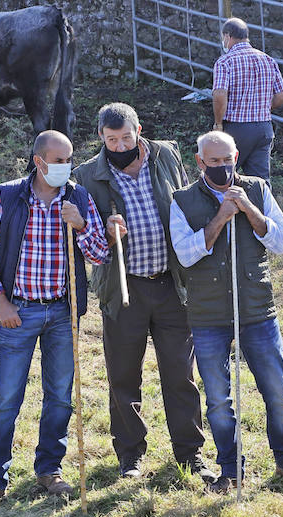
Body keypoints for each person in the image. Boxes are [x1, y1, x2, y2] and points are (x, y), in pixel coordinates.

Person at [168, 131, 283, 493]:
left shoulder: (257, 189)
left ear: (236, 155)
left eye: (228, 160)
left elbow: (281, 240)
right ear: (200, 162)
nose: (223, 168)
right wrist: (221, 216)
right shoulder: (183, 201)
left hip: (258, 310)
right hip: (208, 316)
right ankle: (230, 471)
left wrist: (249, 211)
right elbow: (186, 254)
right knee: (220, 400)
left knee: (278, 391)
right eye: (214, 162)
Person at [0, 130, 110, 508]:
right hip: (19, 310)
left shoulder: (77, 198)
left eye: (69, 160)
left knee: (60, 397)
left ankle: (50, 469)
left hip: (63, 312)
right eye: (59, 161)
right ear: (39, 161)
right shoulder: (9, 195)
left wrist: (80, 226)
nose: (66, 167)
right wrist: (0, 301)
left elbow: (99, 255)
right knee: (7, 396)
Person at [72, 103, 216, 484]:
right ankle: (130, 455)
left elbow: (187, 203)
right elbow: (82, 233)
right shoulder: (86, 175)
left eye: (126, 137)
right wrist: (103, 226)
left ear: (139, 130)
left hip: (173, 285)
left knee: (180, 374)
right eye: (111, 139)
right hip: (123, 288)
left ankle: (191, 454)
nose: (119, 146)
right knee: (123, 375)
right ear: (101, 137)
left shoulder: (166, 154)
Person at [212, 18, 283, 180]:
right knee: (260, 181)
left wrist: (218, 123)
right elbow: (281, 95)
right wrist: (264, 109)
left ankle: (223, 205)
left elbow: (219, 94)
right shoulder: (268, 60)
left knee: (222, 177)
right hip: (264, 127)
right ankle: (261, 205)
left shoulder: (225, 62)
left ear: (228, 36)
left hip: (236, 128)